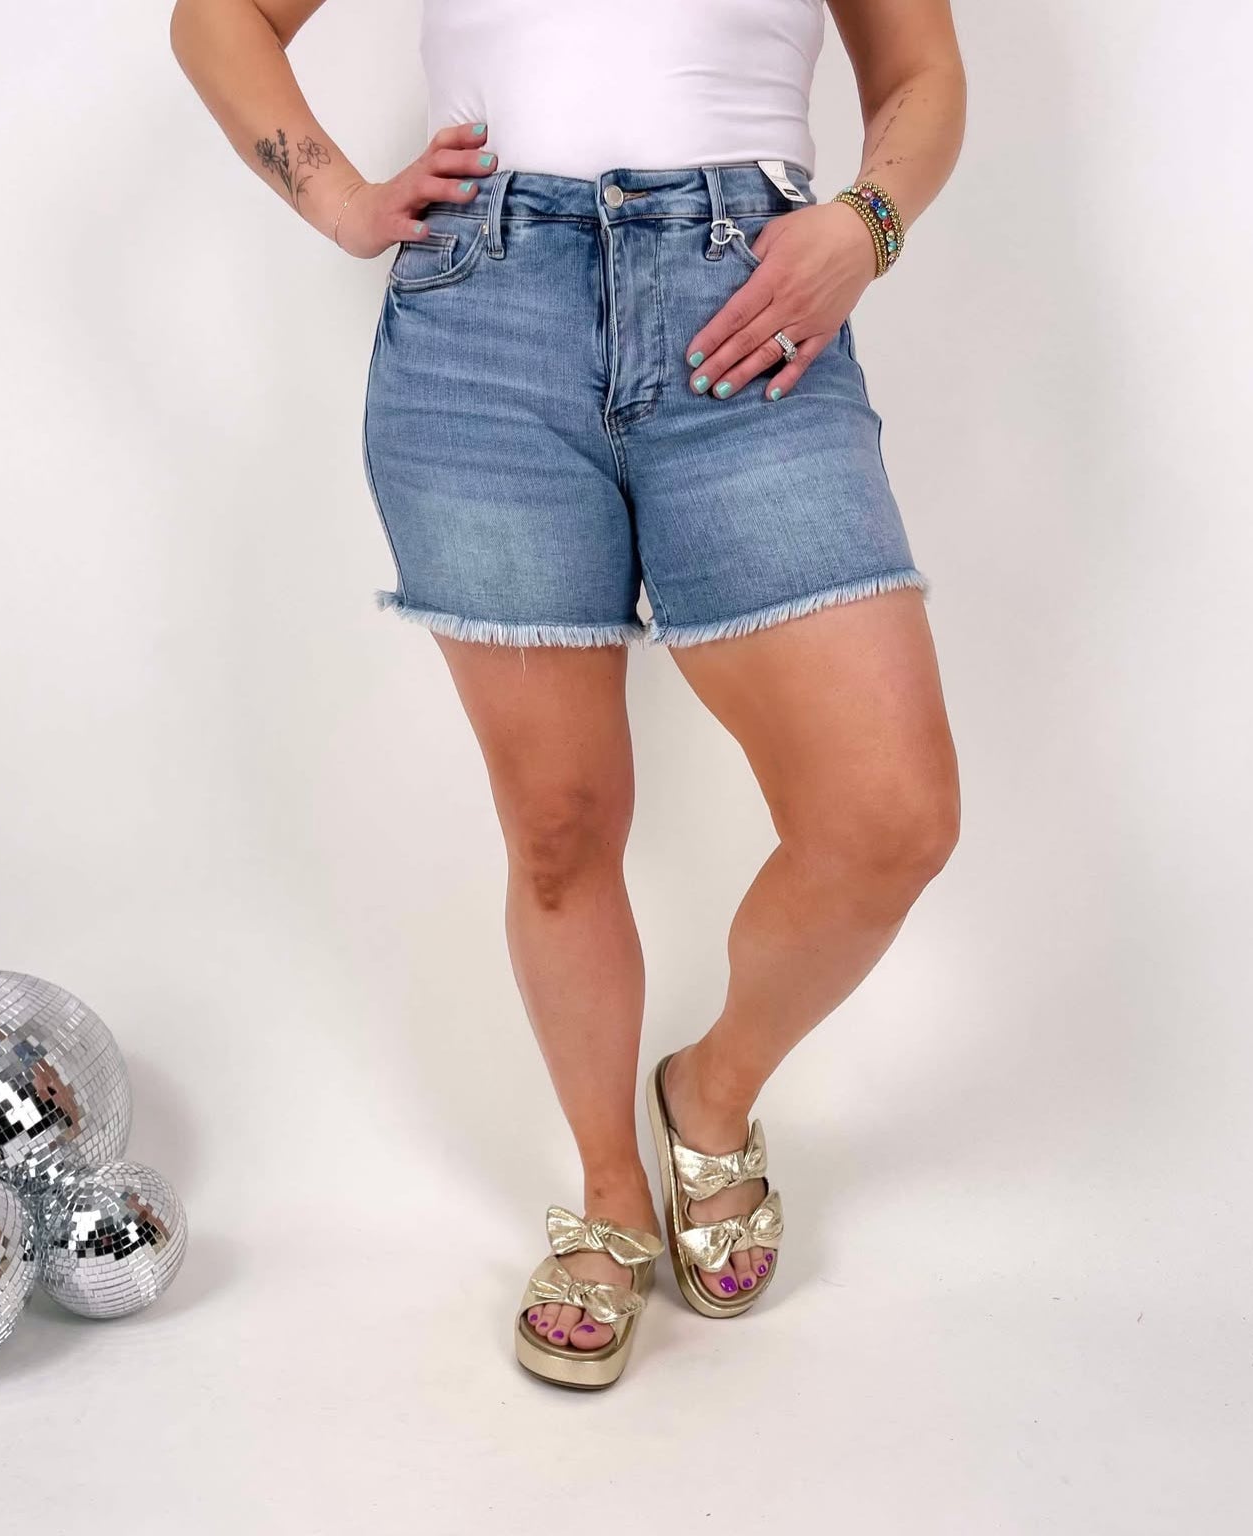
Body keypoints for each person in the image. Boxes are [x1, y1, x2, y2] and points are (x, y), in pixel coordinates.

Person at [171, 0, 966, 1389]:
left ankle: (708, 1095)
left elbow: (920, 71)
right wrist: (345, 203)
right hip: (485, 326)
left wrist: (867, 226)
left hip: (749, 299)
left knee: (888, 817)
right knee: (558, 826)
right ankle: (609, 1193)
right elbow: (217, 19)